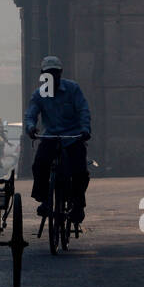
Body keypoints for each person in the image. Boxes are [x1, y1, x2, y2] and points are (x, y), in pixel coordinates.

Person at [26, 56, 91, 224]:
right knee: (39, 165)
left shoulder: (72, 89)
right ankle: (45, 200)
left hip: (72, 136)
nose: (51, 76)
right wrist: (31, 127)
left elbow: (83, 110)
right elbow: (31, 114)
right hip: (51, 136)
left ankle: (78, 204)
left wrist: (85, 129)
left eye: (54, 73)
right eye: (48, 73)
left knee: (80, 172)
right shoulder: (39, 94)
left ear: (60, 73)